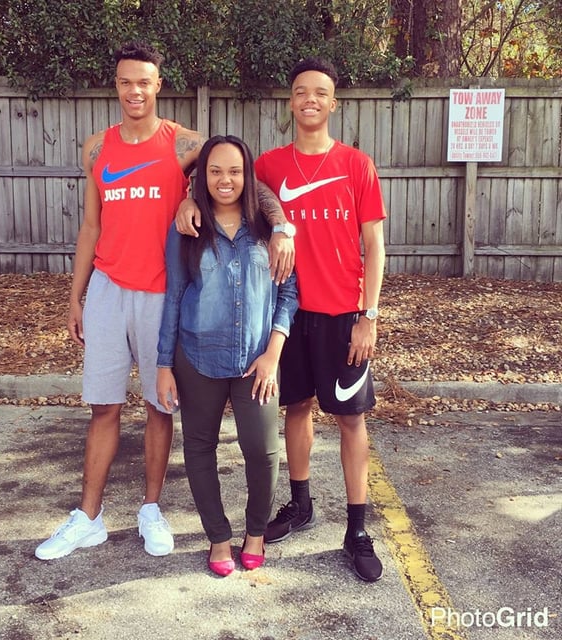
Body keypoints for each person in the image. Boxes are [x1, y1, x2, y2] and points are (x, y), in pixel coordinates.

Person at [35, 42, 294, 561]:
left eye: (145, 81)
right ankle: (88, 517)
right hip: (109, 286)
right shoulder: (96, 149)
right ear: (116, 85)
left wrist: (281, 225)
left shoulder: (184, 143)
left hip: (163, 289)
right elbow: (90, 226)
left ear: (158, 85)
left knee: (159, 407)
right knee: (103, 406)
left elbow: (243, 177)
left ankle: (150, 510)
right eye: (126, 81)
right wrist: (76, 295)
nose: (135, 90)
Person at [175, 57, 387, 582]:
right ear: (289, 102)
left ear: (333, 103)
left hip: (341, 312)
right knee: (295, 408)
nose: (309, 100)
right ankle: (300, 503)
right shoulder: (269, 163)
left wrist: (370, 314)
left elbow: (375, 245)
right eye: (300, 92)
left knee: (350, 419)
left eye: (320, 92)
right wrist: (186, 198)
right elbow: (232, 183)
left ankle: (357, 530)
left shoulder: (357, 164)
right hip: (285, 316)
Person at [156, 135, 298, 576]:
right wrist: (163, 364)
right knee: (200, 448)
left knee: (263, 450)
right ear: (202, 178)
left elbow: (288, 292)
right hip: (197, 357)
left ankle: (255, 534)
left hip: (258, 360)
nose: (225, 180)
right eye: (215, 171)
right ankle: (218, 538)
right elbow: (174, 297)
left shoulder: (269, 232)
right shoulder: (187, 230)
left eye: (234, 171)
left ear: (248, 176)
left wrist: (273, 352)